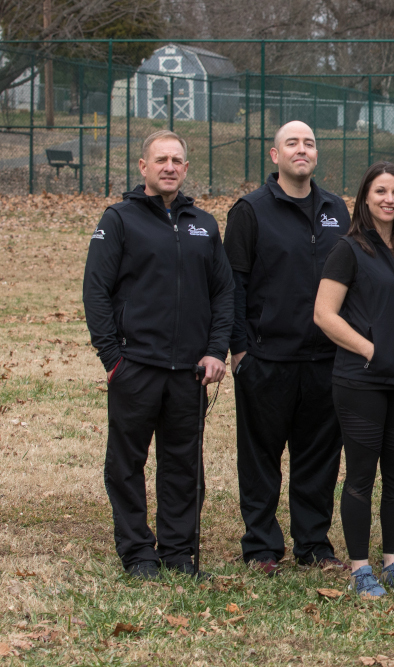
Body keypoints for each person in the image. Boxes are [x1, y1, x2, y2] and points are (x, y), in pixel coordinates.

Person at [83, 130, 234, 579]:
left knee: (184, 465)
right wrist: (113, 358)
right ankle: (138, 553)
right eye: (161, 159)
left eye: (177, 160)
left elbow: (224, 292)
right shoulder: (119, 220)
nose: (170, 166)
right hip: (136, 367)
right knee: (127, 463)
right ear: (143, 166)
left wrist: (214, 351)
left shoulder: (204, 224)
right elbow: (96, 292)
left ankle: (177, 553)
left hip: (189, 371)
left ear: (186, 169)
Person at [224, 121, 351, 575]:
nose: (302, 150)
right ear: (275, 156)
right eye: (292, 143)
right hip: (266, 360)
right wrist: (239, 351)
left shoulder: (336, 209)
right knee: (260, 459)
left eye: (310, 143)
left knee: (318, 459)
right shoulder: (251, 210)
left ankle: (313, 545)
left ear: (316, 156)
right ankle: (261, 546)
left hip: (325, 360)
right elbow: (233, 284)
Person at [313, 162, 394, 598]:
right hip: (362, 379)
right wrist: (370, 349)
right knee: (362, 475)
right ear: (365, 197)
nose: (390, 199)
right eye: (381, 191)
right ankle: (361, 567)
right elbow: (324, 314)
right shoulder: (348, 250)